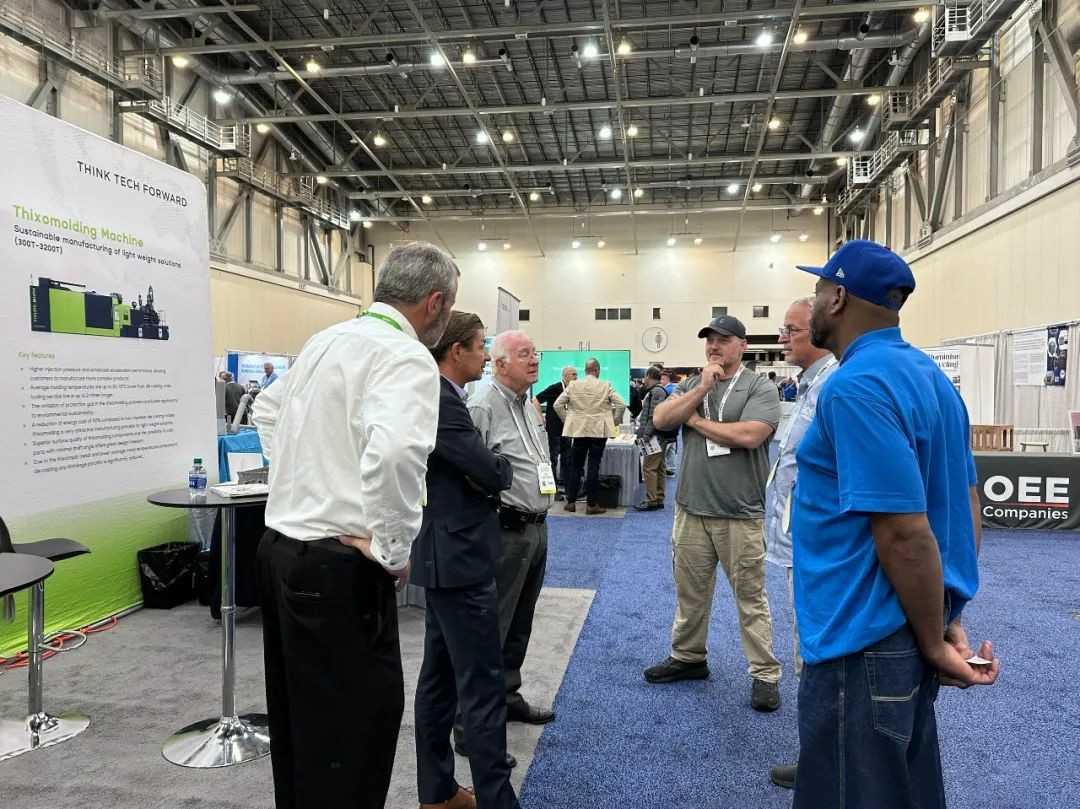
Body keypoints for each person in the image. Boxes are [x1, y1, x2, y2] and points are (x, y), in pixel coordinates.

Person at [790, 240, 999, 808]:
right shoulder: (932, 379)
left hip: (860, 637)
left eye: (817, 290)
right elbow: (964, 505)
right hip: (901, 628)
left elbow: (905, 532)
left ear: (838, 298)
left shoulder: (856, 386)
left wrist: (934, 640)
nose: (812, 303)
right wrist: (947, 617)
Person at [251, 242, 459, 809]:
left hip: (281, 551)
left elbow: (265, 410)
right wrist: (392, 549)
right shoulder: (405, 355)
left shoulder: (326, 340)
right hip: (338, 565)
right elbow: (394, 455)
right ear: (435, 302)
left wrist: (301, 479)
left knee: (300, 726)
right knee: (354, 733)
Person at [643, 315, 783, 713]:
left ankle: (764, 673)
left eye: (723, 340)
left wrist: (695, 420)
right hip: (692, 509)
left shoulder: (759, 387)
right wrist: (702, 387)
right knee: (690, 593)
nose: (714, 346)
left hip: (740, 512)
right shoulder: (694, 384)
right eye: (709, 340)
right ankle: (688, 657)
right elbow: (661, 419)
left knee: (750, 598)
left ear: (742, 345)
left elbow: (749, 435)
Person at [412, 312, 518, 809]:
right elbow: (490, 470)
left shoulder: (437, 396)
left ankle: (438, 792)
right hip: (460, 559)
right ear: (456, 351)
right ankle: (497, 800)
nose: (485, 355)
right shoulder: (444, 401)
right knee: (482, 687)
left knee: (438, 682)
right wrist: (496, 469)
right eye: (480, 346)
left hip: (445, 555)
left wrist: (485, 470)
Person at [461, 330, 556, 751]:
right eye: (524, 354)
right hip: (505, 529)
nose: (534, 360)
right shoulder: (482, 405)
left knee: (519, 623)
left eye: (535, 353)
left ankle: (507, 696)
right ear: (499, 364)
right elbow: (466, 469)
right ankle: (471, 724)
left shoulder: (528, 405)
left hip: (536, 527)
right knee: (490, 630)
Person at [763, 297, 838, 790]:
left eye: (790, 330)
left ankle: (826, 763)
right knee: (807, 651)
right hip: (801, 545)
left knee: (817, 654)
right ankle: (822, 754)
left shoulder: (833, 386)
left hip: (819, 548)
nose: (782, 338)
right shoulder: (811, 385)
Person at [554, 358, 626, 515]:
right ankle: (591, 504)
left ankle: (571, 502)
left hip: (579, 431)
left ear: (585, 370)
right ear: (597, 370)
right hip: (598, 432)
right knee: (594, 466)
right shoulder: (605, 385)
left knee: (575, 466)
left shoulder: (574, 385)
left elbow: (557, 405)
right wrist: (613, 421)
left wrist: (569, 420)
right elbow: (621, 404)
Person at [634, 366, 675, 511]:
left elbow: (653, 417)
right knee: (659, 467)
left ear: (649, 376)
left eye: (645, 376)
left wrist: (645, 435)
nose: (644, 379)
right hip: (658, 435)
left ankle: (652, 500)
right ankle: (658, 498)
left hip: (654, 436)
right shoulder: (658, 391)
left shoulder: (656, 392)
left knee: (649, 468)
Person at [534, 365, 577, 488]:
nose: (576, 377)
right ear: (565, 376)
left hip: (567, 429)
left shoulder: (573, 389)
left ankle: (567, 486)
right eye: (573, 374)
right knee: (553, 458)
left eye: (576, 374)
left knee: (567, 458)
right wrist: (541, 419)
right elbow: (535, 400)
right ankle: (553, 487)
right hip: (554, 429)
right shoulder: (555, 388)